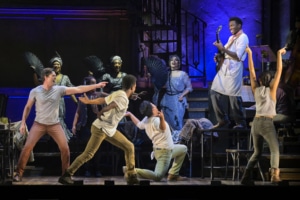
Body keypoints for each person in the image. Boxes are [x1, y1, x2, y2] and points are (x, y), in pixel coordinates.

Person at [12, 68, 107, 182]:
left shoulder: (59, 89)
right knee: (27, 147)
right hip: (39, 124)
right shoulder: (35, 91)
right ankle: (18, 173)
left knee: (65, 149)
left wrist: (96, 85)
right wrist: (23, 123)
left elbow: (78, 89)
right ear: (46, 77)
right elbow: (27, 107)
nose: (55, 78)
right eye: (53, 76)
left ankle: (65, 175)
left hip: (54, 125)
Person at [58, 74, 140, 185]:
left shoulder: (119, 93)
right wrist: (102, 111)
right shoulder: (123, 98)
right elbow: (112, 104)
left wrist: (89, 102)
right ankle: (67, 174)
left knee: (129, 146)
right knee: (88, 154)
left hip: (109, 129)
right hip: (101, 128)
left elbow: (102, 99)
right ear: (133, 86)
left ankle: (131, 176)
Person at [240, 47, 284, 185]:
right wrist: (278, 54)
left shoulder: (255, 89)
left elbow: (252, 72)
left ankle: (245, 176)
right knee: (275, 150)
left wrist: (250, 54)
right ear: (270, 80)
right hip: (266, 123)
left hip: (256, 123)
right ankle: (274, 176)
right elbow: (279, 71)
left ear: (260, 80)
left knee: (257, 152)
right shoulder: (272, 90)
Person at [124, 100, 188, 182]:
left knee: (183, 149)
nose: (154, 105)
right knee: (158, 176)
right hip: (164, 152)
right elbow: (162, 129)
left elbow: (139, 125)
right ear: (153, 109)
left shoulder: (147, 119)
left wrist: (130, 114)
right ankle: (131, 170)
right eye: (153, 105)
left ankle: (173, 174)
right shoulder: (156, 121)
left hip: (168, 149)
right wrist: (162, 118)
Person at [210, 16, 249, 129]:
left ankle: (240, 122)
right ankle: (222, 119)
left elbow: (237, 55)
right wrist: (219, 55)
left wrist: (223, 49)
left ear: (239, 25)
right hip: (225, 67)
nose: (230, 27)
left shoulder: (243, 37)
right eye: (229, 25)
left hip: (234, 67)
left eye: (232, 25)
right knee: (214, 92)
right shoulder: (231, 38)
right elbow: (225, 52)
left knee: (233, 96)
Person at [71, 75, 108, 177]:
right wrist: (74, 125)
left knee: (97, 148)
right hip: (85, 126)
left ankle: (97, 169)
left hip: (98, 126)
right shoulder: (82, 97)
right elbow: (78, 112)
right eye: (92, 83)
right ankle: (87, 169)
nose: (95, 85)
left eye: (95, 83)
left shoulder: (100, 95)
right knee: (87, 148)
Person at [159, 55, 193, 143]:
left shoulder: (183, 74)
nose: (174, 62)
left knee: (177, 121)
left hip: (178, 99)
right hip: (167, 99)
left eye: (176, 60)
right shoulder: (166, 74)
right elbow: (161, 85)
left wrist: (182, 95)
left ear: (179, 62)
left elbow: (189, 88)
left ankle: (179, 139)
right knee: (167, 120)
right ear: (169, 63)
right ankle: (169, 140)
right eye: (172, 60)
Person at [50, 55, 78, 142]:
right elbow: (38, 85)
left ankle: (62, 137)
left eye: (58, 64)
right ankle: (52, 138)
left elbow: (71, 91)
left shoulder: (65, 78)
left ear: (60, 66)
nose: (56, 66)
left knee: (59, 119)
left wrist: (77, 103)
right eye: (54, 64)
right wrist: (34, 72)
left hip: (60, 103)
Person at [282, 15, 300, 88]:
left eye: (298, 22)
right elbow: (288, 45)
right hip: (292, 57)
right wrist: (286, 48)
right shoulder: (293, 33)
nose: (297, 23)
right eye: (296, 22)